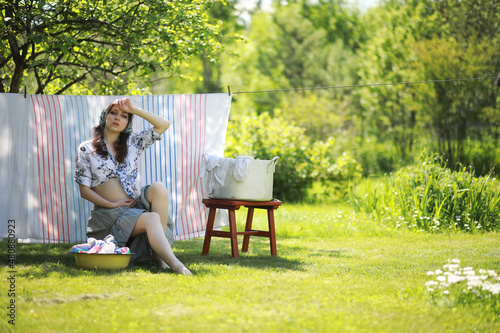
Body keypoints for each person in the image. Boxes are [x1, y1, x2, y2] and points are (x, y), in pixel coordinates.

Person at [74, 97, 192, 275]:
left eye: (124, 116)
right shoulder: (87, 148)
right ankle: (176, 265)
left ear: (128, 122)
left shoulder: (132, 143)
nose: (117, 118)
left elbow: (163, 125)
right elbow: (84, 191)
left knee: (159, 188)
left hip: (135, 207)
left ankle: (159, 255)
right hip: (110, 214)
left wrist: (134, 109)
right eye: (113, 113)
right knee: (152, 218)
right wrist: (112, 204)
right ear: (104, 117)